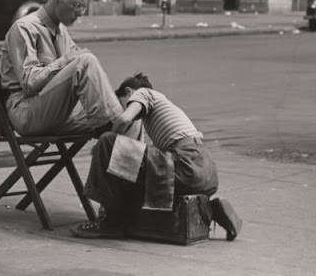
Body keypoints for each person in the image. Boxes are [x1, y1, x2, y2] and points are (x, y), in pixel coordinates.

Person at [71, 73, 242, 241]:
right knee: (141, 177)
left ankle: (110, 224)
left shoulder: (143, 94)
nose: (124, 108)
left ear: (129, 92)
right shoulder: (161, 110)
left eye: (123, 103)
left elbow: (123, 120)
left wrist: (104, 145)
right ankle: (211, 210)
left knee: (107, 142)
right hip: (206, 171)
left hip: (187, 162)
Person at [0, 0, 132, 138]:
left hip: (56, 114)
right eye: (76, 5)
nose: (79, 13)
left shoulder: (61, 31)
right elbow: (30, 83)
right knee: (85, 62)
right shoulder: (24, 28)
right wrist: (66, 60)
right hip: (26, 112)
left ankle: (124, 146)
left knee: (131, 101)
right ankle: (113, 124)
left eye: (82, 7)